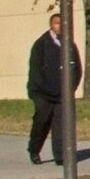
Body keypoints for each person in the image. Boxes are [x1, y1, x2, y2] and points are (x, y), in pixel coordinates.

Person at [26, 13, 82, 165]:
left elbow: (77, 68)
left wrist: (70, 88)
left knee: (60, 124)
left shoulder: (69, 44)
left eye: (62, 24)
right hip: (42, 92)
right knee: (42, 121)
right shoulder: (41, 44)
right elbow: (36, 70)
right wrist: (46, 89)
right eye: (57, 23)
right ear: (51, 25)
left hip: (62, 94)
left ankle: (60, 156)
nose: (60, 27)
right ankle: (34, 149)